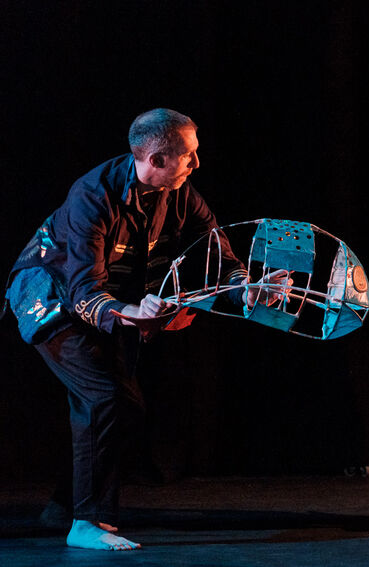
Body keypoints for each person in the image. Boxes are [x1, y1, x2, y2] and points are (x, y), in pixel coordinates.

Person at [3, 109, 266, 550]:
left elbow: (217, 256)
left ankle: (64, 505)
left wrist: (251, 289)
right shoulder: (92, 197)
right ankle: (86, 523)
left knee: (125, 409)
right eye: (189, 156)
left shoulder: (182, 195)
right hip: (51, 299)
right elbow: (84, 291)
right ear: (159, 159)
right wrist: (129, 311)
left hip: (109, 301)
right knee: (101, 397)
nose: (196, 164)